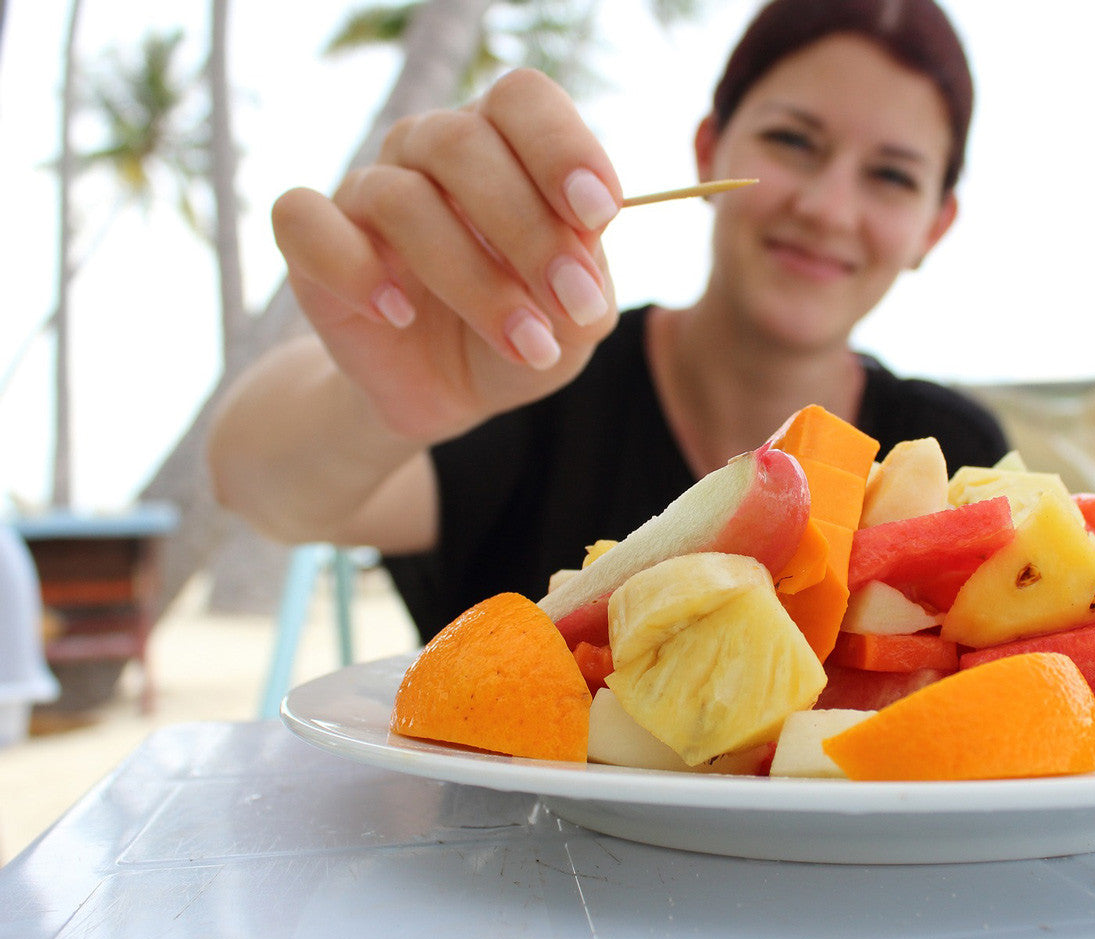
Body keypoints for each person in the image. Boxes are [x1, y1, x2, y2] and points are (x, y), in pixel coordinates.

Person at [208, 0, 1007, 643]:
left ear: (935, 227)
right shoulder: (532, 376)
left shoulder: (956, 459)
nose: (829, 207)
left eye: (892, 177)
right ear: (709, 149)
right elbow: (255, 487)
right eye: (793, 141)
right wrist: (379, 402)